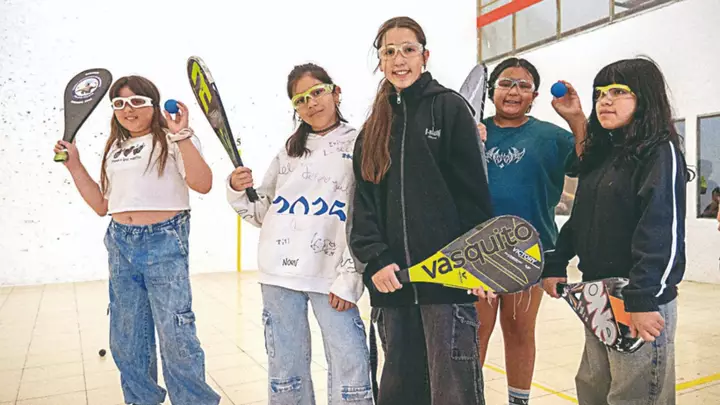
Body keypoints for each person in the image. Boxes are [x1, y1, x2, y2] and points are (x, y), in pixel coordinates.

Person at [349, 16, 493, 405]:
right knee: (400, 392)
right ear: (380, 61)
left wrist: (478, 262)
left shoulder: (449, 108)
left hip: (448, 284)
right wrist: (376, 259)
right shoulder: (373, 127)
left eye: (408, 50)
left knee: (453, 393)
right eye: (389, 52)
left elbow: (473, 195)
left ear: (424, 56)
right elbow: (363, 204)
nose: (399, 60)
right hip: (393, 284)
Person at [53, 75, 220, 405]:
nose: (127, 109)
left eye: (136, 101)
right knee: (126, 337)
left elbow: (203, 184)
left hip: (164, 242)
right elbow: (102, 205)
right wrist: (74, 166)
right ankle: (140, 400)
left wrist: (182, 135)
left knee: (176, 334)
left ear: (153, 105)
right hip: (120, 243)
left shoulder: (173, 139)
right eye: (119, 103)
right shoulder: (114, 148)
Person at [541, 57, 691, 404]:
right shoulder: (604, 153)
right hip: (596, 294)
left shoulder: (660, 152)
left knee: (633, 395)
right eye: (600, 93)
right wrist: (556, 262)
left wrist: (643, 297)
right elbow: (582, 215)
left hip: (637, 298)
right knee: (593, 387)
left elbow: (661, 229)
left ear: (645, 98)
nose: (605, 100)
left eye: (618, 91)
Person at [226, 63, 373, 405]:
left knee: (351, 366)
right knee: (285, 370)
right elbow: (261, 212)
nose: (311, 103)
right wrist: (236, 189)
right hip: (278, 276)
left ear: (336, 93)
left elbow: (365, 216)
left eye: (317, 92)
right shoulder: (289, 152)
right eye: (300, 100)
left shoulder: (360, 143)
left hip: (331, 278)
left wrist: (351, 277)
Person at [474, 57, 586, 405]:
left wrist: (576, 119)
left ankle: (518, 401)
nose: (514, 91)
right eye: (506, 83)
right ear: (491, 90)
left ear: (535, 96)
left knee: (519, 330)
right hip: (476, 252)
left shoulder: (551, 137)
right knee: (474, 333)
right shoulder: (471, 131)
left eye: (523, 85)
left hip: (529, 251)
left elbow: (590, 160)